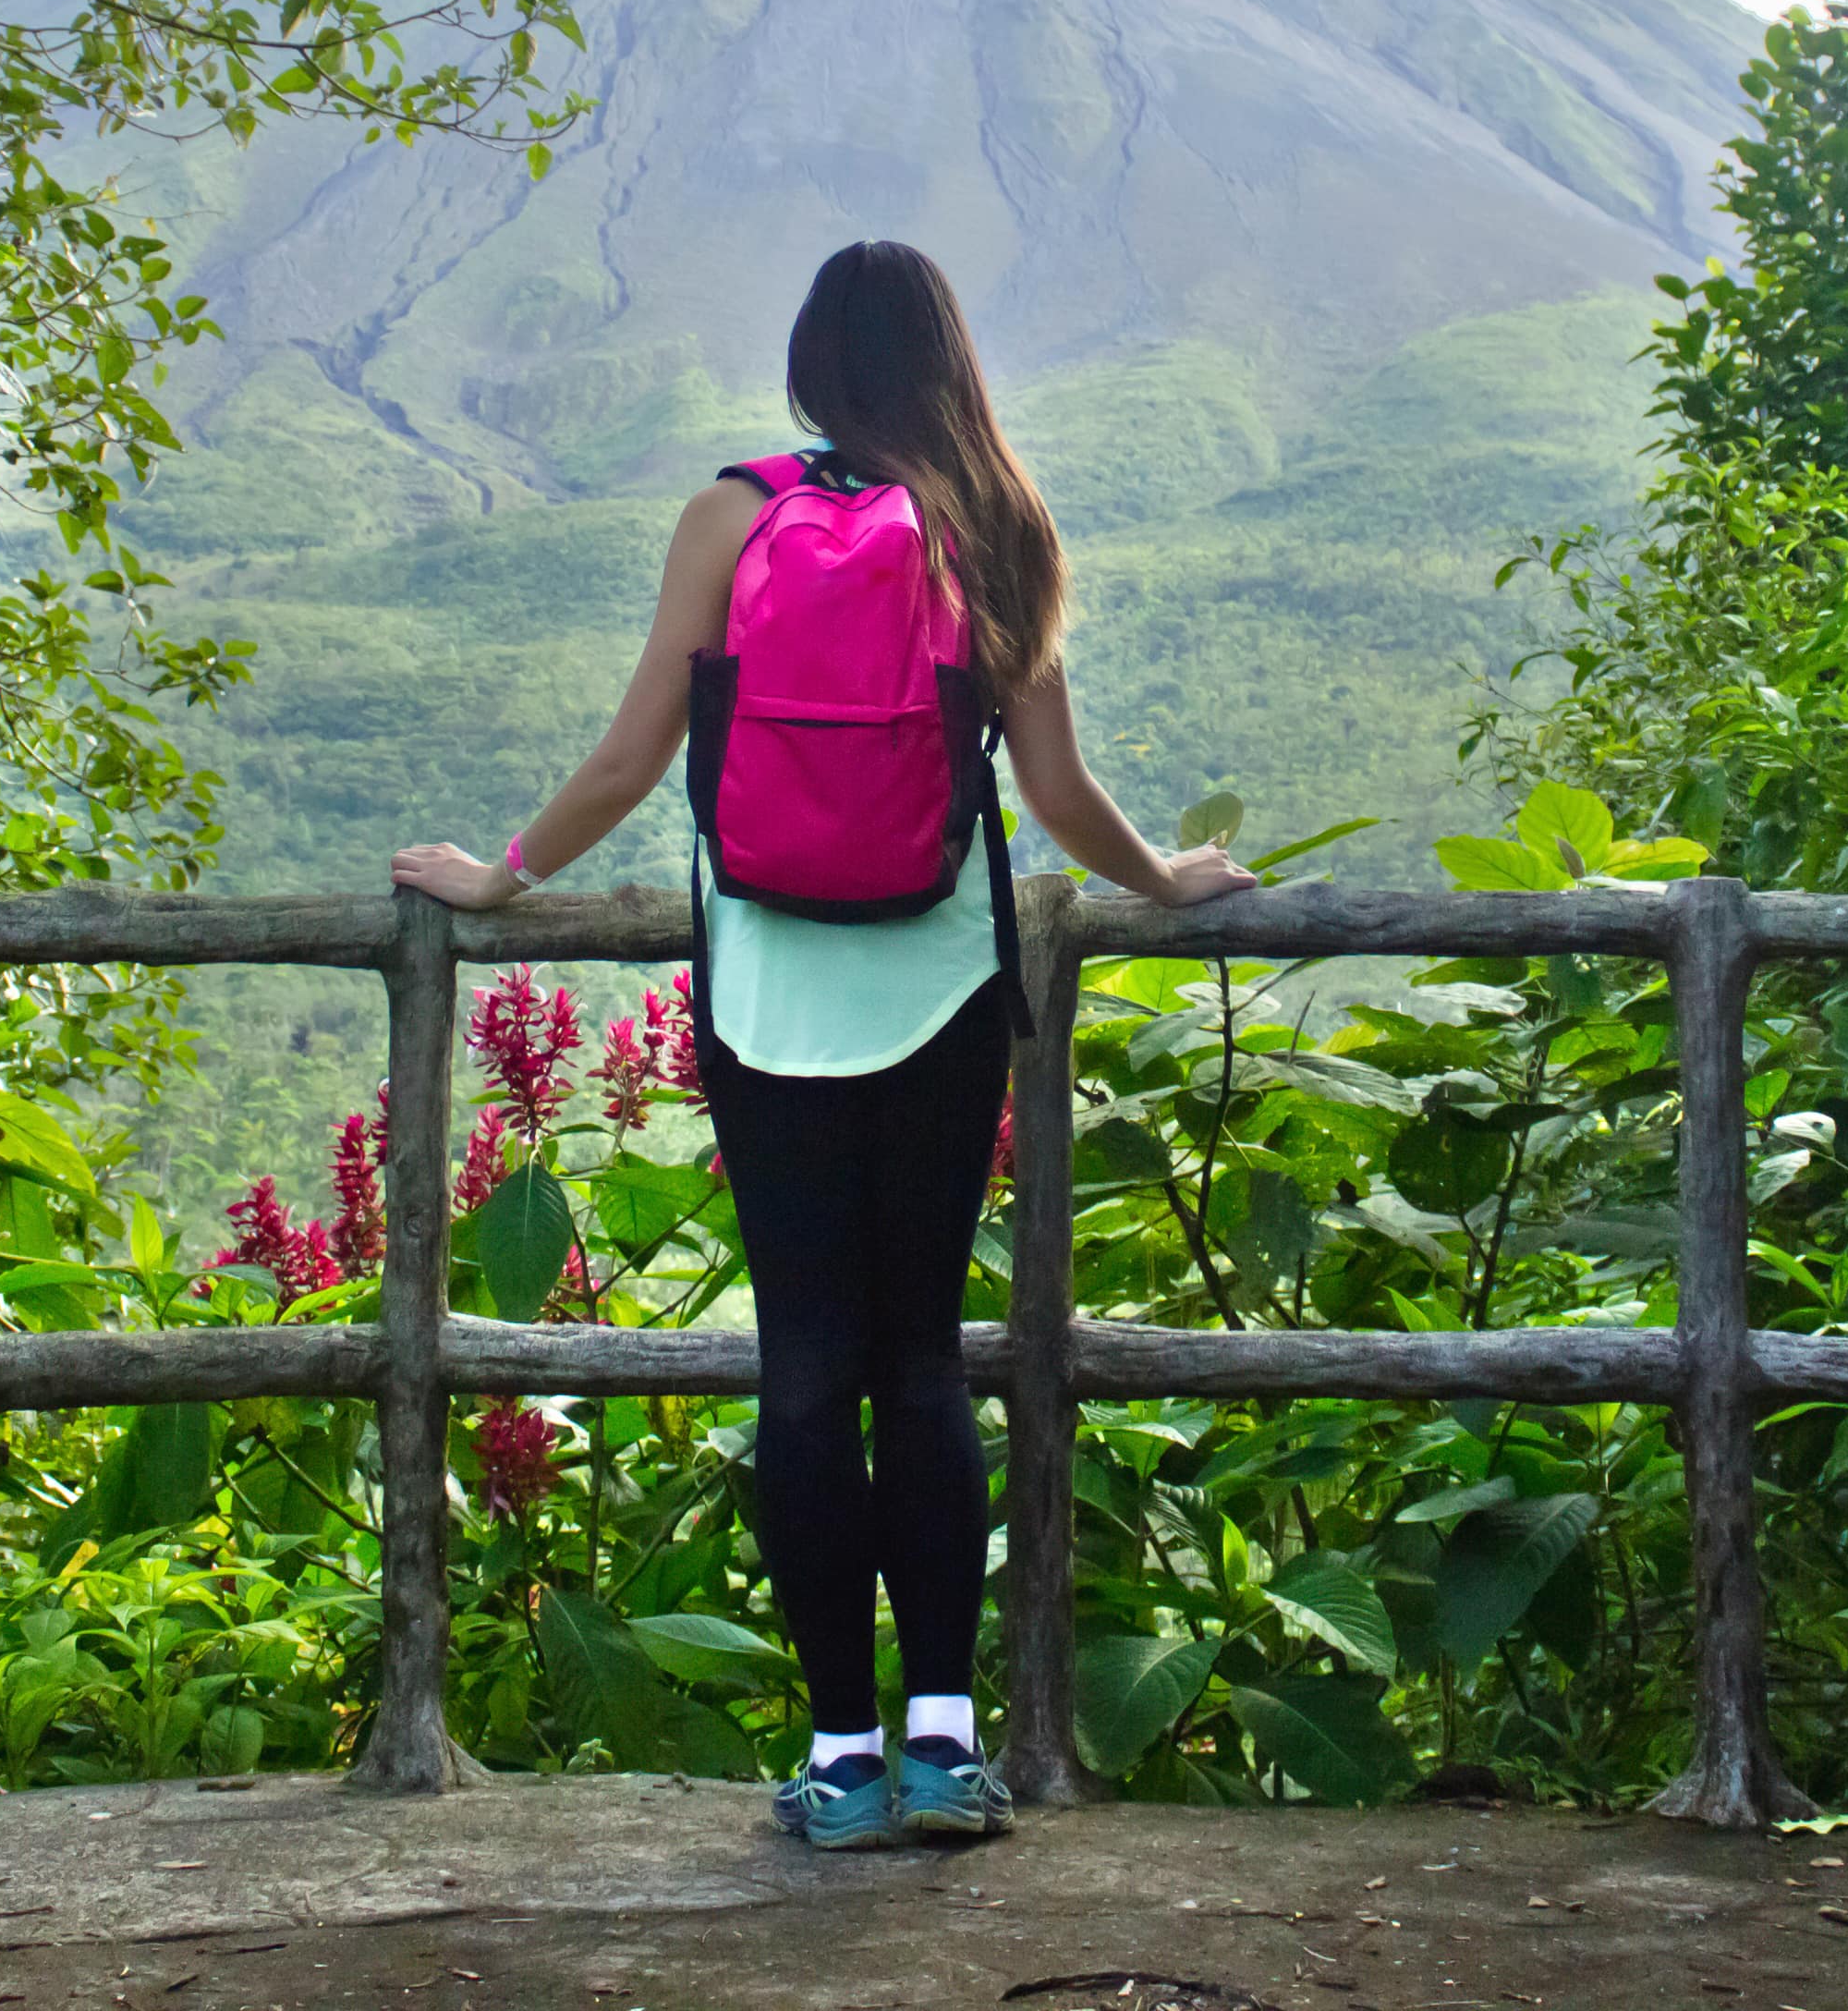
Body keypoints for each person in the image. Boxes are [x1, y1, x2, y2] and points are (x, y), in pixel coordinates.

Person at [395, 239, 1254, 1851]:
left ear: (808, 366)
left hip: (766, 991)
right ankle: (946, 1746)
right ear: (949, 364)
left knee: (805, 1376)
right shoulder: (996, 521)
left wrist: (499, 878)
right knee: (923, 1366)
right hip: (936, 988)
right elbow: (1059, 797)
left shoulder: (732, 512)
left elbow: (638, 751)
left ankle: (842, 1759)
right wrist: (1166, 880)